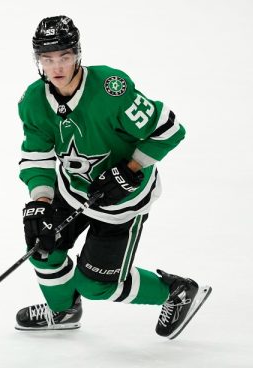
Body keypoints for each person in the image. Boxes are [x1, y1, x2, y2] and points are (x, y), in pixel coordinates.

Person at [16, 16, 211, 339]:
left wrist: (131, 168)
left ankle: (176, 292)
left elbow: (170, 132)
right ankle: (63, 311)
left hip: (123, 201)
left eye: (64, 56)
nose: (57, 67)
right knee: (42, 247)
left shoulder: (111, 89)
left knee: (96, 285)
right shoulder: (35, 101)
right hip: (73, 189)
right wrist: (40, 201)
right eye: (47, 59)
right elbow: (38, 155)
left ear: (77, 54)